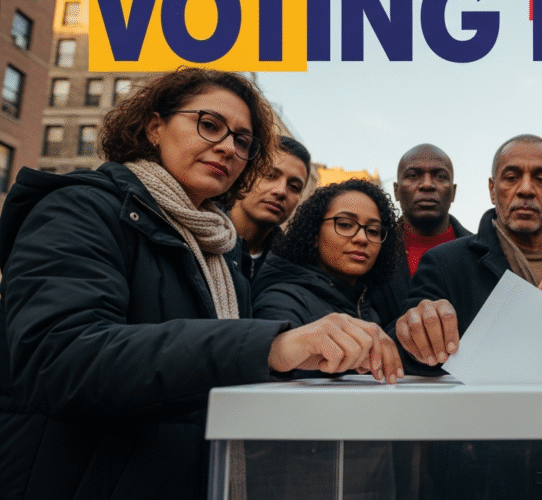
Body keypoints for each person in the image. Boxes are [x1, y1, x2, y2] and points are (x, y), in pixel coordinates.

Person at [0, 68, 392, 500]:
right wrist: (267, 345)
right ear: (154, 127)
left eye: (243, 141)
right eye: (209, 125)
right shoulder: (78, 208)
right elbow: (58, 359)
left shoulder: (222, 250)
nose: (227, 146)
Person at [389, 134, 542, 500]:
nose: (526, 189)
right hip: (481, 473)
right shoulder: (447, 264)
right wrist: (414, 330)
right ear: (492, 189)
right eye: (512, 177)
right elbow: (405, 351)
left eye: (541, 178)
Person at [249, 180, 404, 500]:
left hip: (368, 477)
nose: (361, 238)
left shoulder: (367, 303)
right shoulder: (282, 296)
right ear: (312, 230)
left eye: (374, 231)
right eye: (345, 224)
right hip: (308, 481)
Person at [372, 143, 472, 324]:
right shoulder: (371, 251)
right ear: (396, 190)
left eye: (440, 176)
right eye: (413, 175)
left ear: (453, 192)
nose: (427, 185)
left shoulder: (484, 253)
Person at [228, 135, 311, 280]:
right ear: (244, 175)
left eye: (294, 187)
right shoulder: (198, 235)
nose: (281, 191)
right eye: (270, 175)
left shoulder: (292, 269)